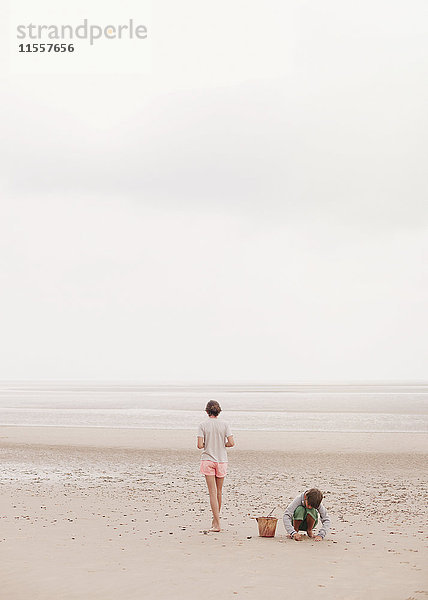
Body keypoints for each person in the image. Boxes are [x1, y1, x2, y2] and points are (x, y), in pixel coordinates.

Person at [197, 400, 234, 532]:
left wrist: (209, 443)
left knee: (212, 492)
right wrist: (221, 444)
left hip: (208, 459)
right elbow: (231, 443)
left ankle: (217, 523)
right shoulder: (225, 424)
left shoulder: (203, 425)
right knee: (219, 492)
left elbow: (200, 445)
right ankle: (215, 520)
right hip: (222, 460)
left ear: (207, 411)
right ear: (218, 411)